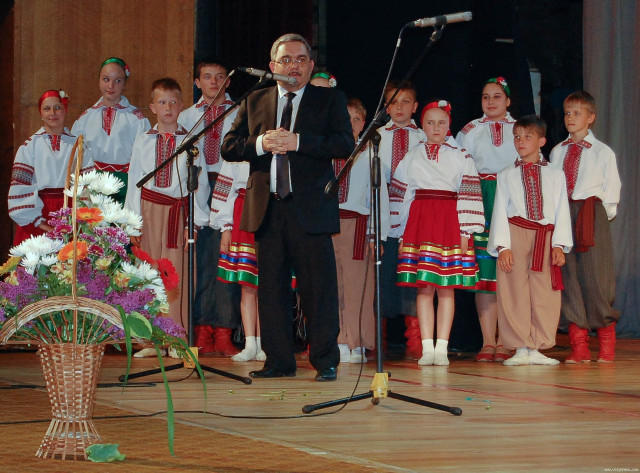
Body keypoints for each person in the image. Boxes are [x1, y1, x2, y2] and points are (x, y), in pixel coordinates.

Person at [221, 33, 354, 381]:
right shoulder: (255, 99)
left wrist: (299, 142)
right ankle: (278, 361)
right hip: (268, 208)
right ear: (272, 66)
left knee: (318, 290)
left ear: (311, 65)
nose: (293, 66)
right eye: (286, 60)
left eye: (300, 59)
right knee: (272, 290)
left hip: (310, 209)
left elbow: (345, 143)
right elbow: (229, 146)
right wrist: (261, 143)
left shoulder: (329, 99)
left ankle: (325, 361)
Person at [393, 100, 485, 366]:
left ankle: (442, 348)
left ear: (448, 126)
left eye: (441, 123)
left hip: (449, 220)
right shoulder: (411, 156)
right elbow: (402, 196)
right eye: (430, 123)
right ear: (422, 125)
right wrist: (401, 233)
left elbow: (469, 193)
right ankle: (427, 348)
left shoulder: (461, 156)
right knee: (424, 288)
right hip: (420, 221)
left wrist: (466, 231)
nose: (436, 128)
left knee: (446, 288)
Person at [125, 78, 210, 357]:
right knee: (148, 272)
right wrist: (133, 222)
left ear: (181, 105)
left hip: (177, 213)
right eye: (162, 102)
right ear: (152, 107)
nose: (168, 107)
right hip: (149, 211)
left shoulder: (191, 142)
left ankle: (176, 338)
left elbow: (200, 185)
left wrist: (193, 223)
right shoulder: (143, 140)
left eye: (173, 102)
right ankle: (150, 340)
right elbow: (134, 181)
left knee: (175, 276)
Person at [488, 115, 572, 366]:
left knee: (544, 292)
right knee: (514, 291)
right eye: (517, 137)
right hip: (515, 233)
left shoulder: (555, 174)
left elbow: (561, 210)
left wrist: (559, 244)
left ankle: (537, 346)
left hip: (544, 237)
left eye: (527, 136)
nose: (521, 141)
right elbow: (499, 210)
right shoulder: (506, 174)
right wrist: (503, 246)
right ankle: (520, 347)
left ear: (541, 141)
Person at [549, 91, 621, 363]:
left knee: (597, 278)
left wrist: (598, 216)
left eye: (577, 113)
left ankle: (606, 341)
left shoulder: (602, 152)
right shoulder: (558, 151)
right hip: (563, 212)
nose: (570, 118)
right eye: (567, 113)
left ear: (590, 118)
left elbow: (612, 191)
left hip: (591, 213)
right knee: (568, 276)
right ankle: (578, 344)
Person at [179, 57, 241, 356]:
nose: (214, 82)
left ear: (228, 81)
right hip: (197, 187)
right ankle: (202, 329)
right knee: (202, 260)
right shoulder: (187, 116)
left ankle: (225, 331)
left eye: (220, 76)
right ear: (197, 82)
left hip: (231, 188)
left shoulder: (240, 112)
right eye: (207, 76)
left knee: (226, 259)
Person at [456, 77, 517, 363]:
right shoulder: (470, 130)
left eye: (497, 96)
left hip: (510, 199)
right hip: (480, 199)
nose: (491, 101)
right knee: (484, 273)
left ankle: (507, 339)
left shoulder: (520, 129)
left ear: (508, 100)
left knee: (508, 270)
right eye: (485, 96)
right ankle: (487, 341)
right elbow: (457, 167)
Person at [333, 98, 390, 364]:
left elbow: (378, 198)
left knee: (358, 287)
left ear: (364, 123)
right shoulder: (324, 152)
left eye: (356, 119)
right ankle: (336, 341)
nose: (351, 123)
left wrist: (374, 234)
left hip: (358, 225)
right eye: (346, 118)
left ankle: (355, 342)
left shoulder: (370, 156)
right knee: (332, 286)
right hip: (327, 224)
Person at [377, 80, 426, 360]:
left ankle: (415, 340)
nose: (399, 107)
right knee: (381, 274)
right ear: (386, 107)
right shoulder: (375, 137)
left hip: (412, 215)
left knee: (412, 274)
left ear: (415, 106)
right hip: (383, 213)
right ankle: (378, 339)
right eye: (393, 102)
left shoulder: (424, 137)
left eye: (405, 101)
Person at [10, 90, 94, 245]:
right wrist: (39, 222)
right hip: (39, 212)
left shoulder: (80, 146)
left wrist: (79, 219)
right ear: (41, 113)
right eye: (47, 108)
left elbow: (88, 186)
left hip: (71, 214)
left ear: (65, 110)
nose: (52, 113)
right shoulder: (29, 147)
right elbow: (20, 187)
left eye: (57, 107)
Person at [72, 57, 150, 203]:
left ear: (125, 84)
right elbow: (76, 154)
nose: (111, 86)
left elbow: (144, 157)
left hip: (125, 185)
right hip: (92, 184)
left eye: (117, 81)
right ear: (99, 81)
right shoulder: (86, 118)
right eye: (106, 79)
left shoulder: (137, 119)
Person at [210, 159, 265, 362]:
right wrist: (226, 227)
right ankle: (250, 344)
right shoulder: (237, 149)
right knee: (247, 285)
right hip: (243, 213)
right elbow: (225, 189)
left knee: (268, 284)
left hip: (271, 211)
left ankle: (265, 343)